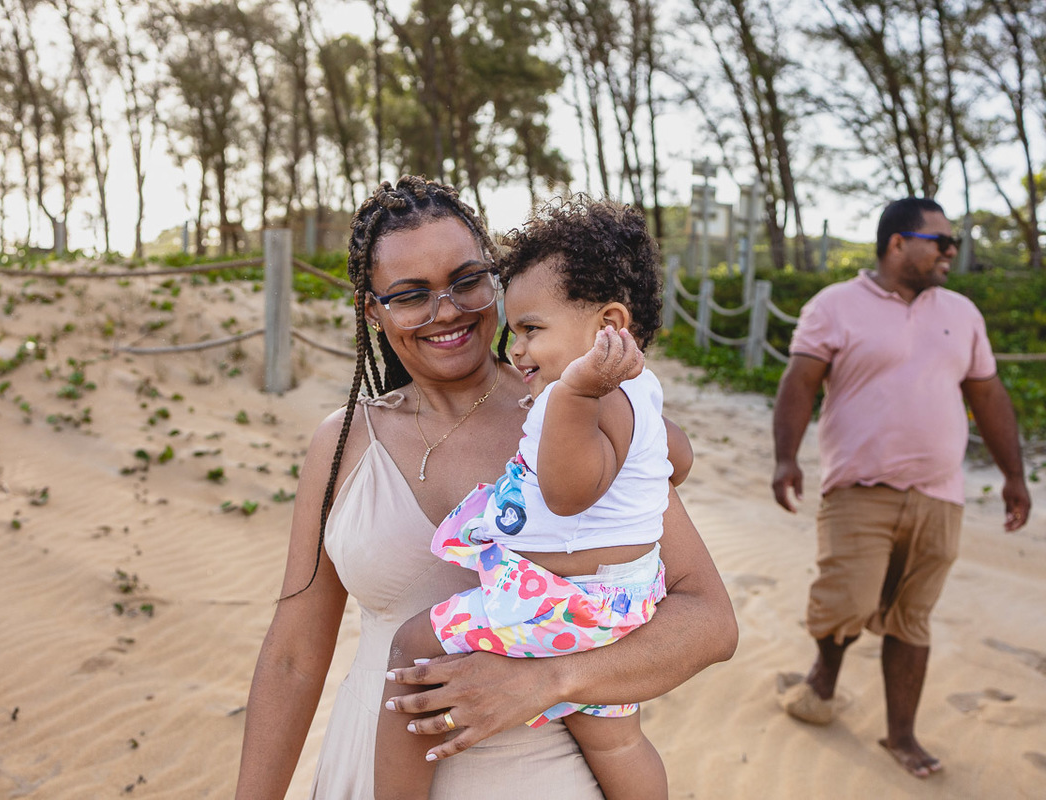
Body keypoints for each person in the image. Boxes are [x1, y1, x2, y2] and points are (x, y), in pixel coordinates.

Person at [234, 176, 737, 799]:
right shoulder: (341, 443)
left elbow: (710, 623)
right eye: (412, 294)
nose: (446, 310)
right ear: (372, 308)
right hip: (367, 772)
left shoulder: (579, 416)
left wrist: (548, 681)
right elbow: (292, 657)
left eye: (467, 281)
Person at [375, 198, 676, 800]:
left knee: (412, 647)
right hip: (624, 602)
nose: (517, 350)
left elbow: (565, 494)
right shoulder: (643, 394)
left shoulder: (577, 400)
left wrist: (573, 396)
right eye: (516, 331)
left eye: (533, 331)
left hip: (565, 605)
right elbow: (678, 458)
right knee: (617, 741)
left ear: (609, 326)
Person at [771, 197, 1032, 779]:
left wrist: (1014, 475)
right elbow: (800, 382)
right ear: (897, 243)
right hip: (858, 487)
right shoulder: (834, 306)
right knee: (849, 601)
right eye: (940, 241)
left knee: (913, 617)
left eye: (953, 242)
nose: (950, 251)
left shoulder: (962, 313)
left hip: (941, 494)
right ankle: (823, 680)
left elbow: (987, 395)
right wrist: (786, 458)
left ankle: (902, 734)